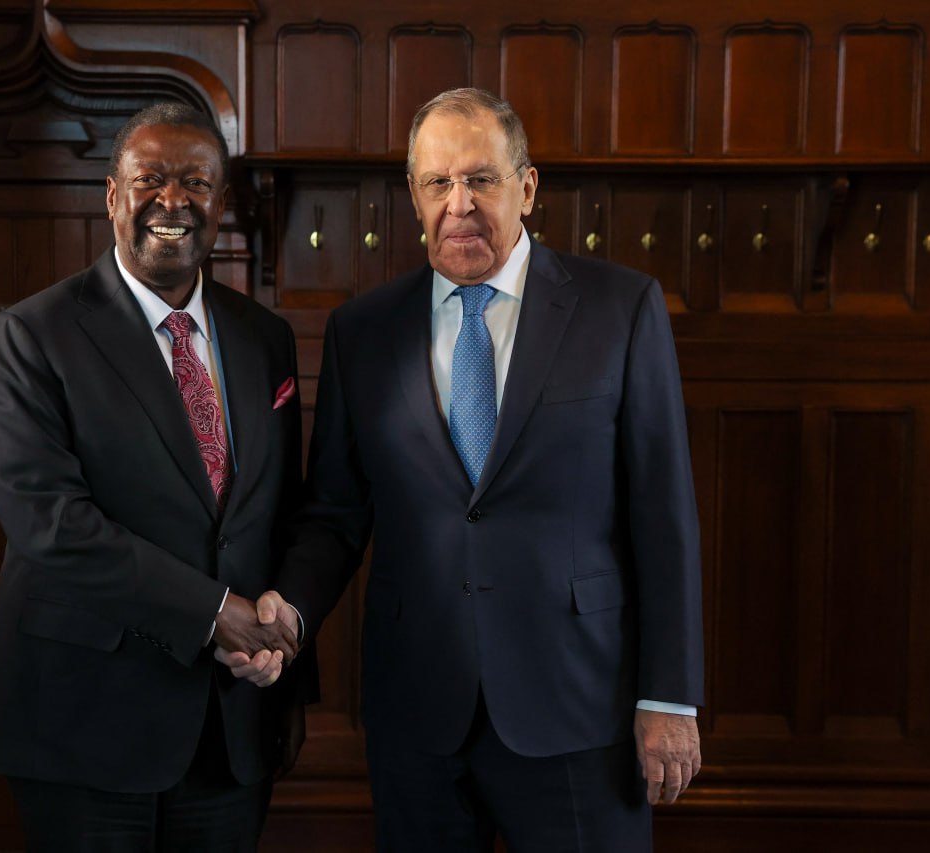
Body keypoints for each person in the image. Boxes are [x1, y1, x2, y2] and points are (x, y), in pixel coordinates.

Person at [268, 88, 705, 851]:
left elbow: (662, 516)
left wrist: (669, 696)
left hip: (579, 706)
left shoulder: (619, 308)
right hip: (419, 714)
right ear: (414, 196)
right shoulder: (362, 332)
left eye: (481, 178)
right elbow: (335, 513)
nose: (459, 203)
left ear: (526, 187)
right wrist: (290, 609)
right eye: (437, 182)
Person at [0, 101, 308, 853]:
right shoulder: (31, 335)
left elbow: (282, 510)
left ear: (221, 201)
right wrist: (213, 612)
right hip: (85, 722)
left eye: (196, 182)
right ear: (112, 196)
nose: (173, 200)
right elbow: (50, 524)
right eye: (149, 179)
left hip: (231, 723)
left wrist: (283, 642)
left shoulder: (265, 338)